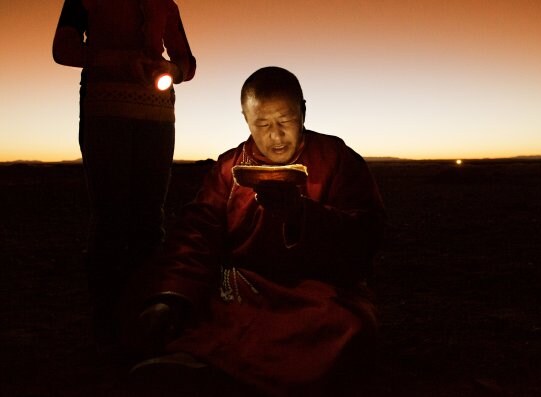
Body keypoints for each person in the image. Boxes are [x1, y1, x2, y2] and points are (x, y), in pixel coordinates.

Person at [123, 66, 385, 396]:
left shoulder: (336, 159)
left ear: (303, 111)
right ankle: (204, 369)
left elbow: (366, 234)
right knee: (187, 305)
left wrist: (303, 215)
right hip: (245, 286)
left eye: (285, 121)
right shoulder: (229, 168)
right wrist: (171, 294)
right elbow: (196, 233)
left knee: (343, 324)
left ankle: (217, 370)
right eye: (263, 124)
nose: (276, 136)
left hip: (316, 289)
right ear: (246, 120)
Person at [52, 0, 196, 343]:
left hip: (157, 118)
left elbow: (187, 63)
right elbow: (63, 49)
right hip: (106, 111)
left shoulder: (166, 5)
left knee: (149, 219)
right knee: (110, 218)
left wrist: (169, 71)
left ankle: (146, 313)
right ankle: (107, 318)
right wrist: (119, 60)